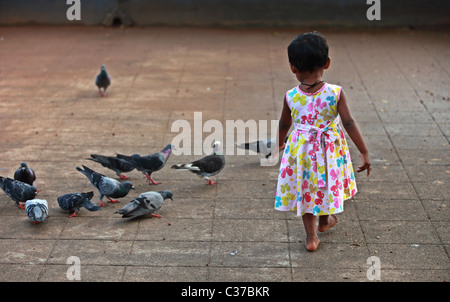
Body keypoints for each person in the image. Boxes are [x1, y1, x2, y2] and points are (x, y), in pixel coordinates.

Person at [273, 32, 371, 252]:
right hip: (329, 150)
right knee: (324, 182)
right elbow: (348, 122)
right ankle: (326, 220)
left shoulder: (291, 96)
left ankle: (311, 238)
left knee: (306, 188)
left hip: (302, 152)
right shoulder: (335, 93)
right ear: (327, 63)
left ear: (292, 67)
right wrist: (364, 152)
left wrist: (280, 144)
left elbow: (283, 124)